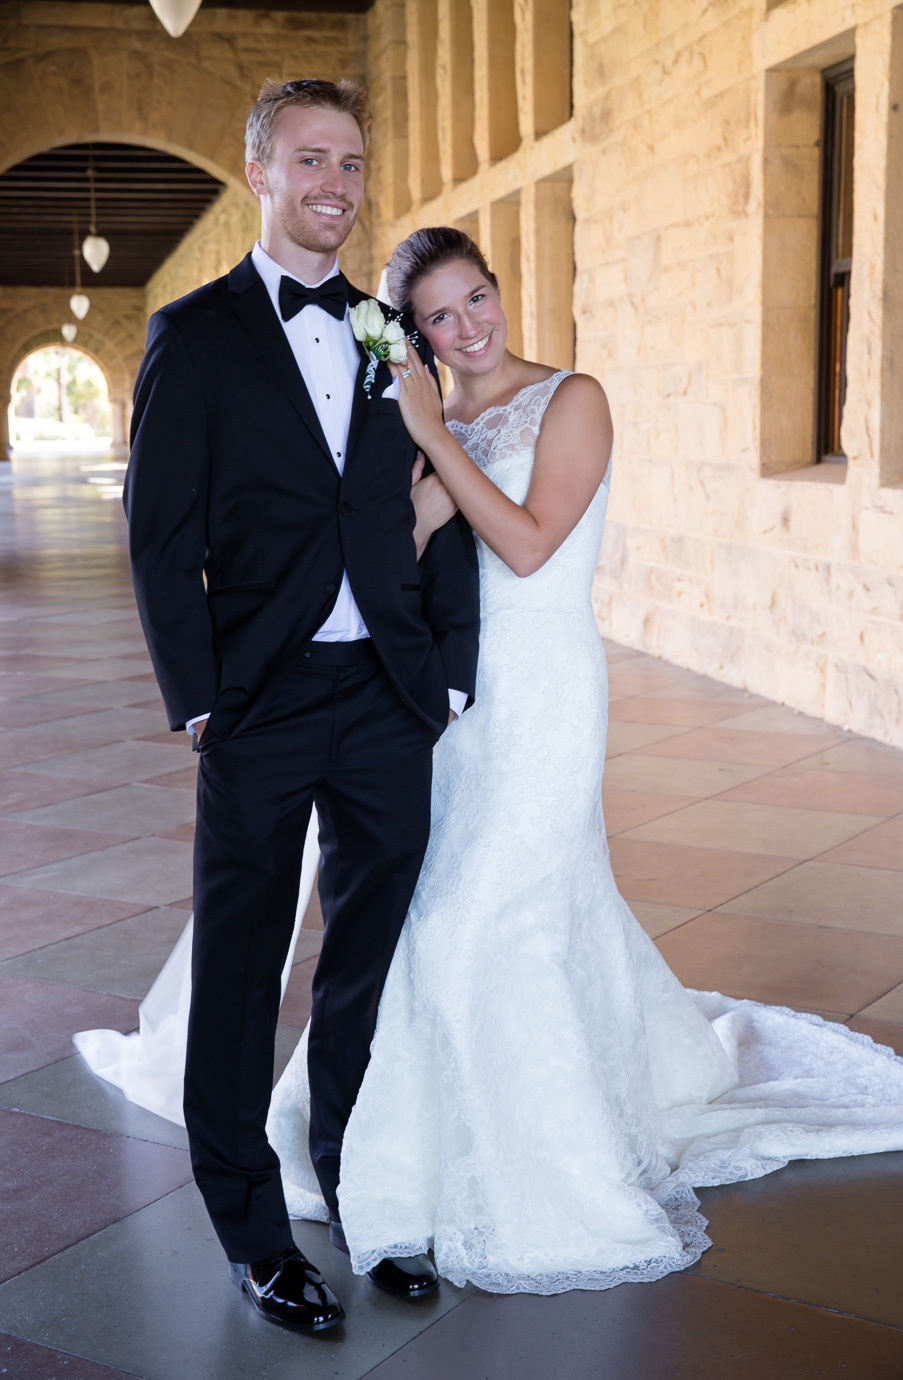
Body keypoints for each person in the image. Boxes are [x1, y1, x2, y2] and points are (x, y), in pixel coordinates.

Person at [267, 227, 903, 1295]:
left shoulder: (573, 398)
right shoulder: (444, 418)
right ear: (414, 334)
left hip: (547, 689)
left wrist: (432, 433)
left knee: (482, 919)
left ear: (496, 290)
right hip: (453, 702)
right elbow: (415, 542)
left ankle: (522, 1173)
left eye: (477, 297)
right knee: (467, 908)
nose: (470, 325)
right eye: (440, 315)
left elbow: (527, 543)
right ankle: (403, 1149)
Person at [122, 84, 479, 1334]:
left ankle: (357, 1188)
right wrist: (202, 706)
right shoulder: (192, 333)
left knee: (365, 963)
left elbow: (437, 510)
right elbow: (159, 538)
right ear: (260, 170)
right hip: (259, 702)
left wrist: (446, 673)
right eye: (312, 158)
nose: (337, 180)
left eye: (353, 161)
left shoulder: (393, 330)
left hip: (388, 697)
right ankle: (252, 1228)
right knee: (241, 965)